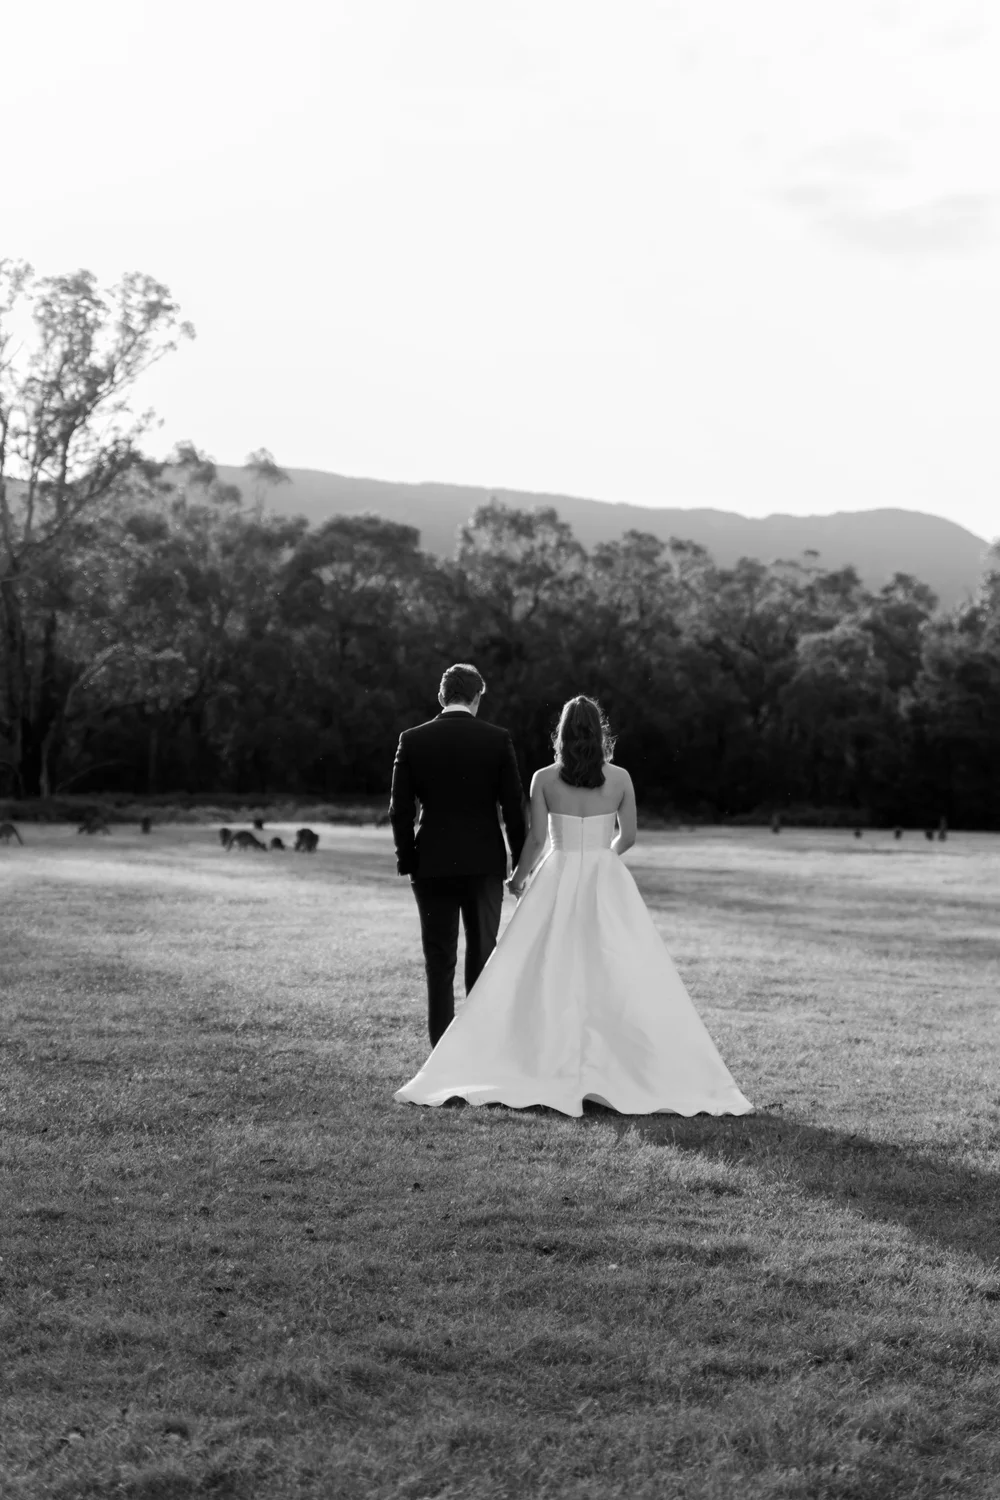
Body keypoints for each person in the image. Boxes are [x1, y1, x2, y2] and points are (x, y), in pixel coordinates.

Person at [395, 695, 752, 1117]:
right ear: (599, 733)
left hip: (557, 876)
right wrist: (604, 858)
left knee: (543, 967)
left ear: (561, 734)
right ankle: (622, 1065)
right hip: (605, 878)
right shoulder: (620, 778)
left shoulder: (544, 778)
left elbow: (537, 841)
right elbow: (631, 836)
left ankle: (535, 1057)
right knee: (619, 966)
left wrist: (519, 877)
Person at [389, 662, 527, 1047]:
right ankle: (478, 1054)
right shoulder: (497, 739)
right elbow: (514, 808)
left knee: (439, 963)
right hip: (484, 864)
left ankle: (441, 1060)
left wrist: (408, 859)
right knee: (482, 959)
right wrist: (519, 863)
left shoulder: (412, 739)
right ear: (477, 697)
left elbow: (399, 809)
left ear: (441, 696)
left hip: (431, 864)